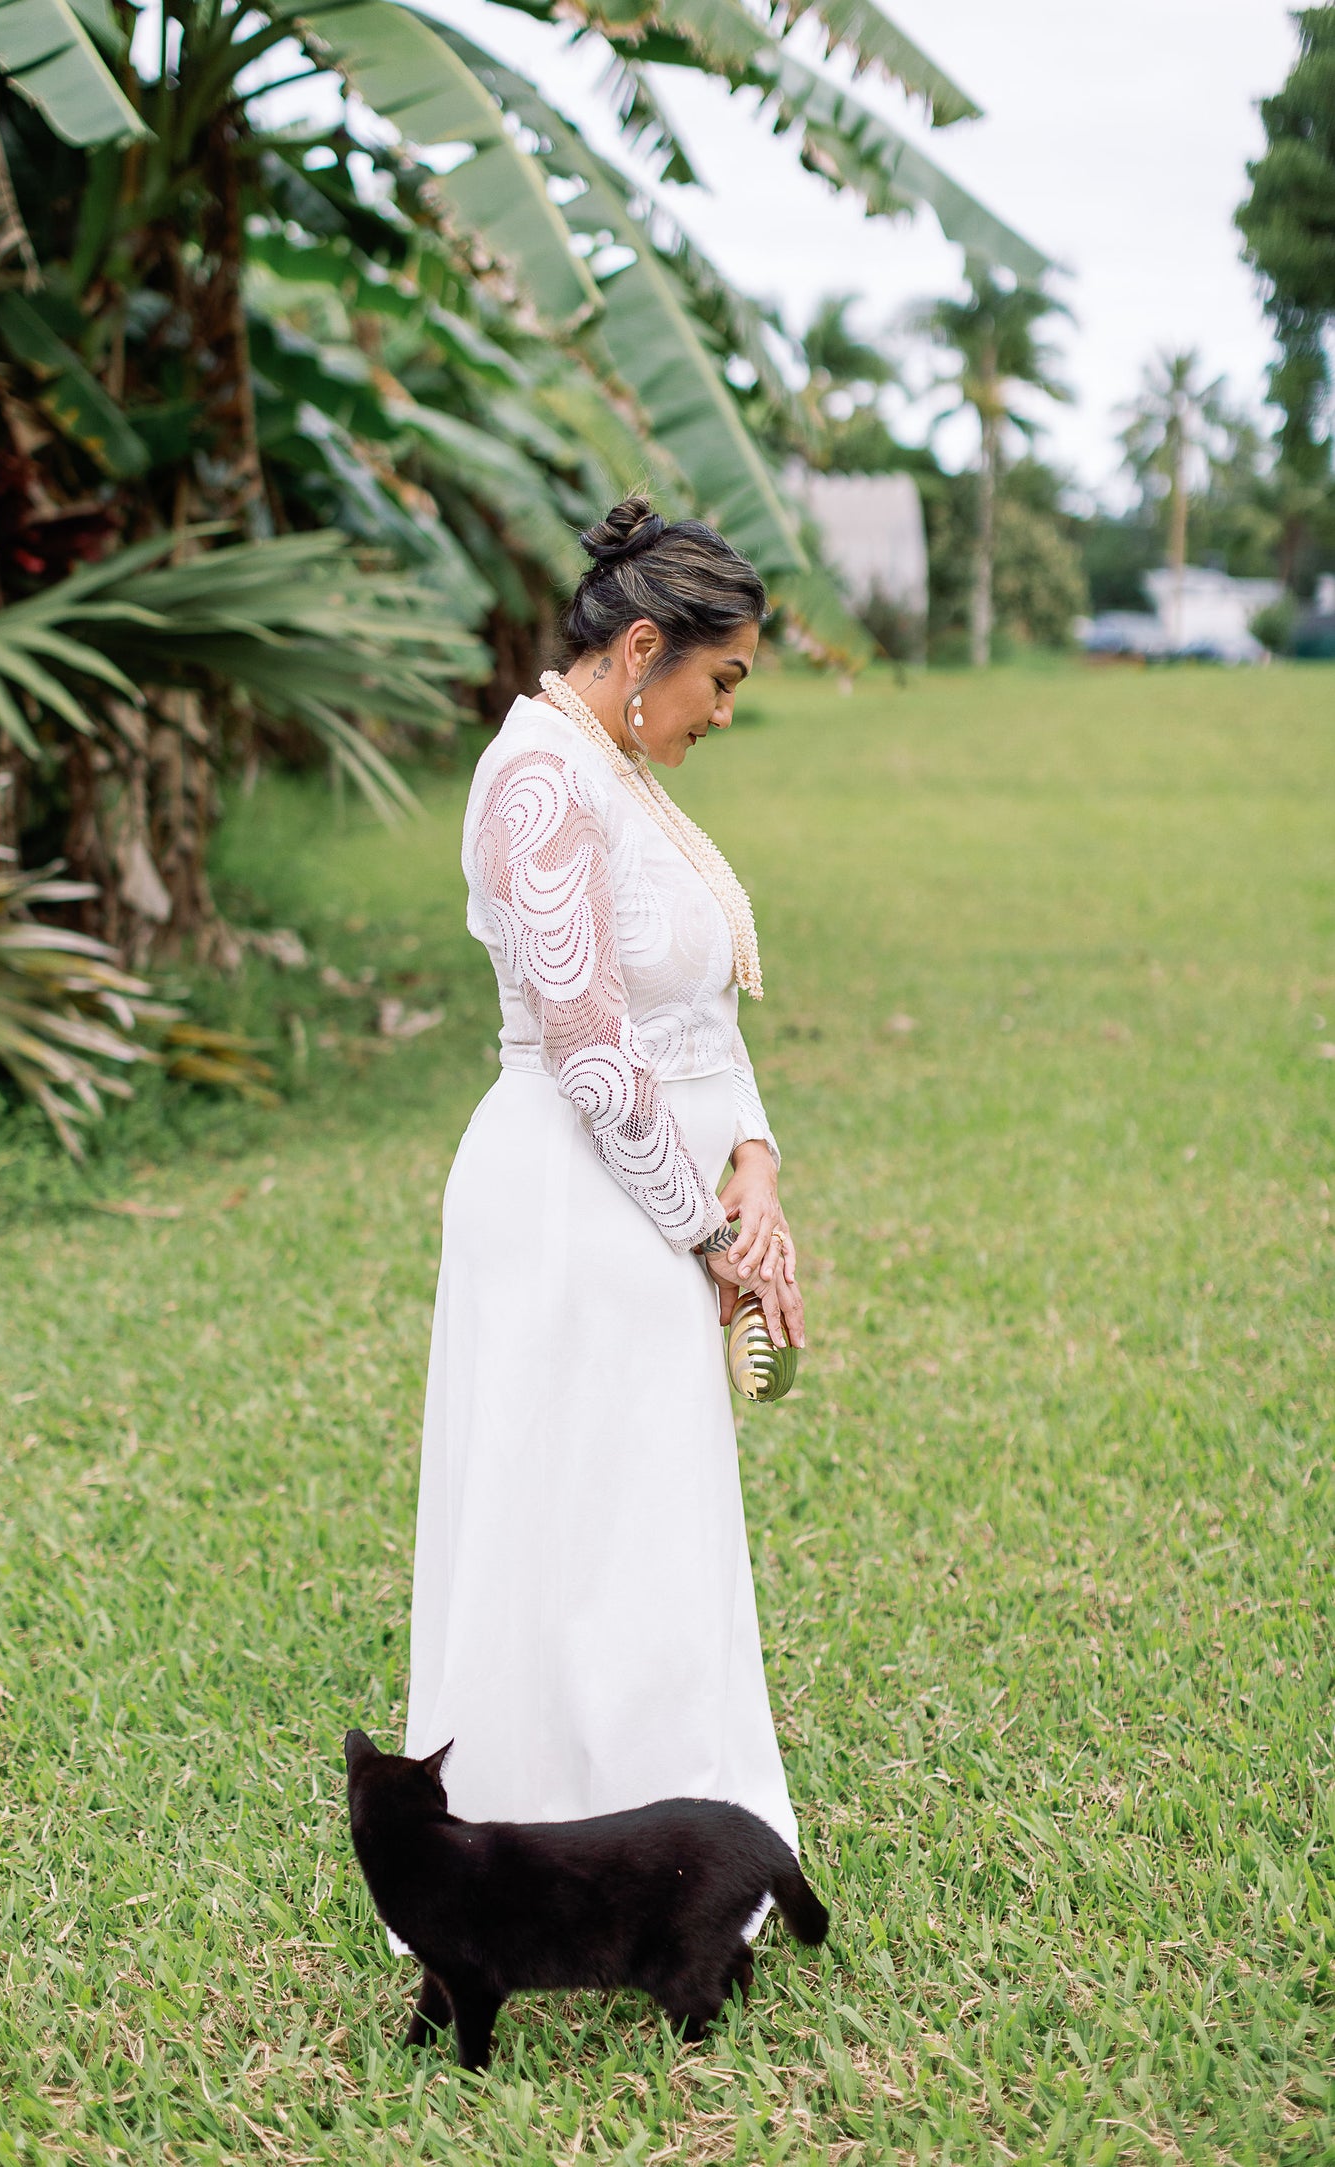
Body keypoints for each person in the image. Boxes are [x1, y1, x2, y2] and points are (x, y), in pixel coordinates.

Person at [399, 495, 806, 1906]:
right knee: (559, 1523)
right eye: (722, 679)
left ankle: (666, 1851)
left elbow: (693, 1011)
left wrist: (753, 1170)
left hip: (662, 1199)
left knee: (646, 1524)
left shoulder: (620, 774)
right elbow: (587, 1047)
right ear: (643, 648)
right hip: (572, 1204)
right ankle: (529, 1863)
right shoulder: (537, 782)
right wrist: (702, 1230)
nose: (726, 712)